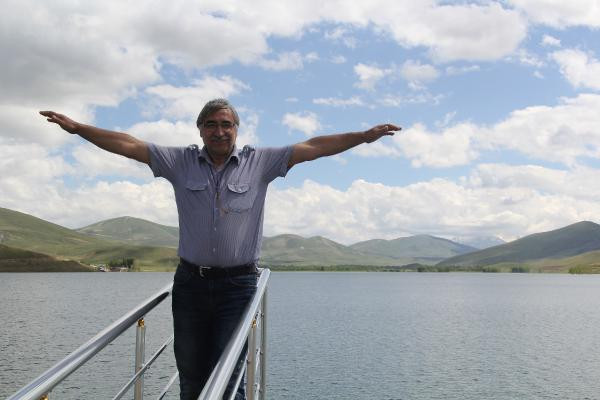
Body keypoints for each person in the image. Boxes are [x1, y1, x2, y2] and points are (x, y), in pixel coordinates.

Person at [40, 99, 400, 399]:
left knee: (229, 378)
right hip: (190, 285)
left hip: (237, 287)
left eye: (226, 124)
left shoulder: (261, 162)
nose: (219, 131)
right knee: (191, 377)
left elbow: (314, 147)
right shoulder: (179, 162)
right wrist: (78, 128)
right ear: (200, 130)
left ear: (236, 129)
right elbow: (129, 144)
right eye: (211, 124)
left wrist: (363, 137)